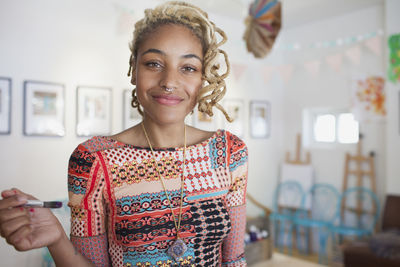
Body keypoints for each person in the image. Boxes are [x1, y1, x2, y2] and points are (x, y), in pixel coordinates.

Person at [0, 1, 248, 266]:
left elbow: (234, 260)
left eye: (188, 68)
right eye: (154, 63)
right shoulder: (93, 160)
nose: (169, 81)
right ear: (134, 69)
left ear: (203, 78)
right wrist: (57, 239)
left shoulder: (229, 152)